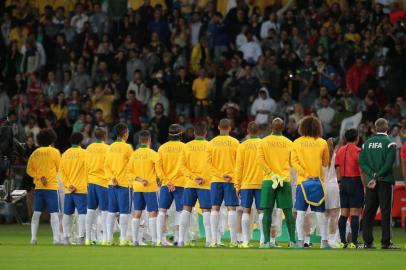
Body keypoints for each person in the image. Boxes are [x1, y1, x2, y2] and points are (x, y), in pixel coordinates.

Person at [359, 118, 399, 249]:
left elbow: (362, 162)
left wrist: (371, 175)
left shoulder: (366, 144)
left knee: (369, 211)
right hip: (385, 181)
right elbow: (388, 164)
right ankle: (386, 242)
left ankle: (367, 242)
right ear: (387, 128)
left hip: (370, 182)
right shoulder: (390, 144)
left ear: (375, 128)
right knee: (386, 211)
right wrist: (378, 175)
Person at [291, 116, 330, 248]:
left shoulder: (296, 142)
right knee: (320, 213)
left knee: (300, 212)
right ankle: (324, 242)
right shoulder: (323, 142)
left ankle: (300, 241)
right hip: (318, 182)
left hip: (302, 182)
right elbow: (325, 163)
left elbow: (294, 163)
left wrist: (304, 173)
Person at [257, 118, 296, 248]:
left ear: (271, 127)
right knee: (288, 211)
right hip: (284, 180)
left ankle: (267, 242)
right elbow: (292, 163)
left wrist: (271, 173)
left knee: (267, 212)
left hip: (269, 180)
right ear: (283, 127)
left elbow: (260, 161)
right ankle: (292, 241)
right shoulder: (289, 143)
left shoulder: (263, 142)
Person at [178, 123, 213, 247]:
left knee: (186, 209)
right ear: (206, 133)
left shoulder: (187, 147)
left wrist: (194, 177)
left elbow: (182, 166)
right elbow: (213, 166)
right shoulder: (210, 146)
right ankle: (209, 241)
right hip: (206, 184)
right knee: (206, 210)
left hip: (190, 183)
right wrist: (204, 178)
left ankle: (181, 240)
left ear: (193, 133)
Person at [27, 129, 61, 245]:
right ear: (52, 139)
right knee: (54, 213)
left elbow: (29, 170)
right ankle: (56, 239)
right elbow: (59, 168)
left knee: (36, 213)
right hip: (51, 187)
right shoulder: (55, 152)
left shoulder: (35, 153)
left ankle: (33, 238)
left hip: (39, 187)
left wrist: (39, 176)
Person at [209, 119, 240, 247]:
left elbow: (208, 164)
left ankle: (214, 240)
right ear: (230, 128)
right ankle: (233, 241)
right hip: (230, 180)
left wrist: (220, 174)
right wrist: (231, 175)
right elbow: (239, 163)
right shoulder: (235, 142)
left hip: (216, 179)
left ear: (218, 127)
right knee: (231, 208)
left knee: (215, 208)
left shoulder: (211, 143)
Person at [234, 121, 264, 248]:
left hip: (246, 183)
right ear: (259, 131)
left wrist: (237, 185)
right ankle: (263, 241)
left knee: (245, 211)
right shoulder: (264, 144)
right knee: (262, 211)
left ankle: (245, 241)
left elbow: (238, 167)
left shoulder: (242, 146)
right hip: (262, 183)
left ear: (247, 131)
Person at [156, 124, 186, 246]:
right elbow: (184, 166)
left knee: (162, 211)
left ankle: (160, 239)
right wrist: (173, 180)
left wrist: (167, 181)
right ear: (180, 134)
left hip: (165, 184)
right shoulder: (185, 147)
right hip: (181, 183)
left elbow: (158, 168)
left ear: (169, 135)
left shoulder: (162, 148)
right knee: (180, 211)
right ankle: (178, 239)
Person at [127, 130, 159, 246]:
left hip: (138, 187)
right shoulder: (153, 154)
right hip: (150, 187)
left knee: (137, 212)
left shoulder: (134, 154)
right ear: (149, 140)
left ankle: (135, 240)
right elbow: (159, 170)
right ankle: (155, 240)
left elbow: (129, 172)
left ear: (140, 141)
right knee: (152, 213)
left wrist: (139, 180)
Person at [104, 123, 133, 246]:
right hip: (124, 184)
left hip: (112, 183)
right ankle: (123, 239)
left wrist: (112, 178)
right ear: (125, 133)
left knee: (111, 211)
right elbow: (132, 165)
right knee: (124, 212)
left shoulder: (110, 147)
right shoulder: (127, 147)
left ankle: (109, 239)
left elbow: (106, 165)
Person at [335, 129, 364, 249]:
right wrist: (365, 186)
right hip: (355, 181)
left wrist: (339, 182)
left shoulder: (340, 150)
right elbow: (362, 170)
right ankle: (354, 242)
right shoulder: (359, 151)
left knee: (344, 214)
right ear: (357, 138)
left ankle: (342, 242)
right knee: (355, 213)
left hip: (343, 182)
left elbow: (337, 167)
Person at [59, 132, 88, 245]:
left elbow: (62, 172)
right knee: (82, 214)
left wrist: (68, 184)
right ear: (81, 141)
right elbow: (87, 170)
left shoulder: (65, 154)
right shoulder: (84, 153)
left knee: (67, 214)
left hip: (68, 189)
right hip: (80, 188)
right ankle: (81, 237)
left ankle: (66, 237)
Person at [85, 127, 109, 246]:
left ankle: (88, 238)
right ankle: (105, 238)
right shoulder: (107, 149)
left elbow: (86, 165)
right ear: (105, 135)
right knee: (104, 211)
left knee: (90, 210)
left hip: (91, 182)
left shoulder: (89, 148)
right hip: (103, 183)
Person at [324, 138, 340, 248]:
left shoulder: (322, 158)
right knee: (334, 215)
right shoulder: (336, 156)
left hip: (323, 186)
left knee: (325, 215)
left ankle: (324, 239)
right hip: (334, 186)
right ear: (336, 146)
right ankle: (332, 239)